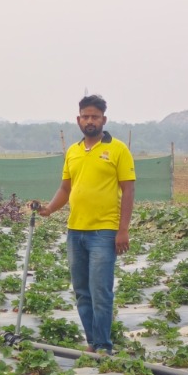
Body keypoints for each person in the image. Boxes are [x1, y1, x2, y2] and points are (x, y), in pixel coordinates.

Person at [37, 94, 135, 354]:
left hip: (104, 232)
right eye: (85, 116)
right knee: (82, 291)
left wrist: (123, 229)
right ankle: (92, 342)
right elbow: (65, 188)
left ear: (104, 119)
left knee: (100, 291)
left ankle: (104, 346)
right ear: (78, 119)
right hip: (75, 231)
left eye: (95, 116)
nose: (90, 121)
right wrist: (48, 209)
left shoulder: (118, 150)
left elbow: (128, 190)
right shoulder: (73, 151)